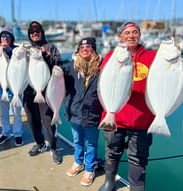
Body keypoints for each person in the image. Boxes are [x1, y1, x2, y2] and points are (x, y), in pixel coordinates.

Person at [98, 21, 156, 191]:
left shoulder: (151, 56)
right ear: (120, 37)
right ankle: (109, 181)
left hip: (142, 120)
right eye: (127, 33)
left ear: (140, 35)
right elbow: (103, 82)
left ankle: (137, 186)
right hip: (114, 117)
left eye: (135, 32)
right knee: (112, 151)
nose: (131, 36)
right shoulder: (111, 56)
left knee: (138, 157)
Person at [58, 37, 103, 186]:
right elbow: (57, 77)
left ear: (94, 49)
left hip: (94, 112)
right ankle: (78, 162)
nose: (85, 49)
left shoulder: (102, 68)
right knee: (77, 140)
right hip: (74, 111)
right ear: (78, 50)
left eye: (88, 47)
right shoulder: (71, 67)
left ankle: (89, 168)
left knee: (91, 143)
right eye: (82, 47)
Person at [23, 21, 62, 164]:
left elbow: (58, 65)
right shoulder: (26, 49)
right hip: (29, 91)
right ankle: (40, 144)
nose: (35, 34)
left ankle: (53, 147)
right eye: (32, 32)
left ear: (42, 32)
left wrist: (46, 56)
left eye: (37, 31)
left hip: (45, 91)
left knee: (47, 120)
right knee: (32, 120)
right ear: (29, 35)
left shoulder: (50, 47)